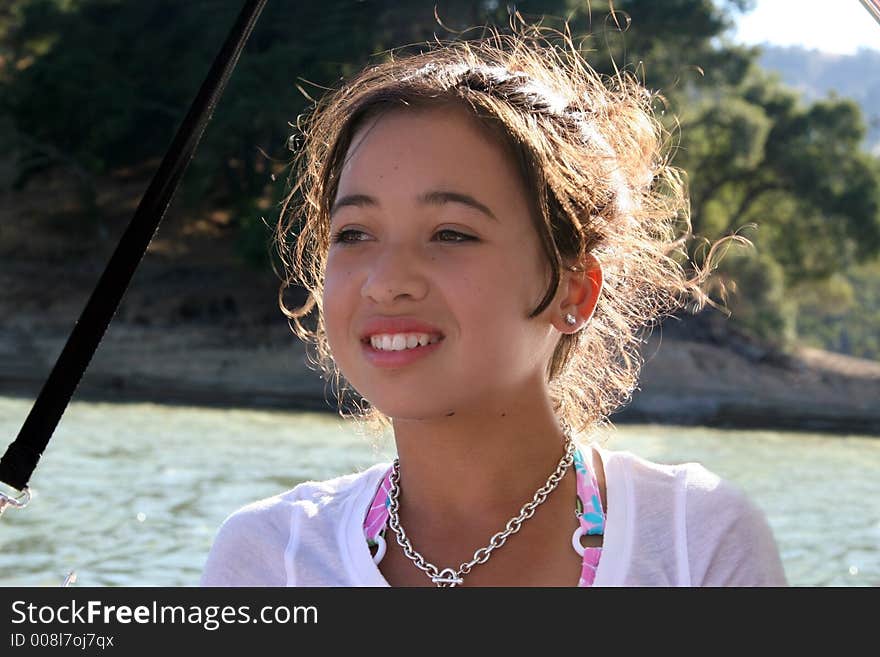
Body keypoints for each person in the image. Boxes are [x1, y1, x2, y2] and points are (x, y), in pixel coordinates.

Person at [200, 23, 787, 587]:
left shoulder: (695, 541)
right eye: (354, 233)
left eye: (451, 233)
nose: (385, 281)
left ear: (573, 291)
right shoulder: (272, 557)